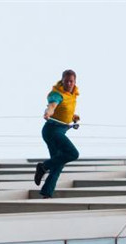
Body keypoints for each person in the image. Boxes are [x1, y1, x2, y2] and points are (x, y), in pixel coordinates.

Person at [34, 70, 80, 198]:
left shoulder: (72, 95)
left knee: (58, 164)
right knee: (73, 154)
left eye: (71, 81)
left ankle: (46, 193)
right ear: (62, 81)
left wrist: (73, 118)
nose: (69, 83)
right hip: (52, 131)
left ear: (75, 82)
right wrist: (48, 112)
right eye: (66, 81)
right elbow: (53, 105)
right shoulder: (57, 94)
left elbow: (65, 111)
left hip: (60, 130)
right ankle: (43, 167)